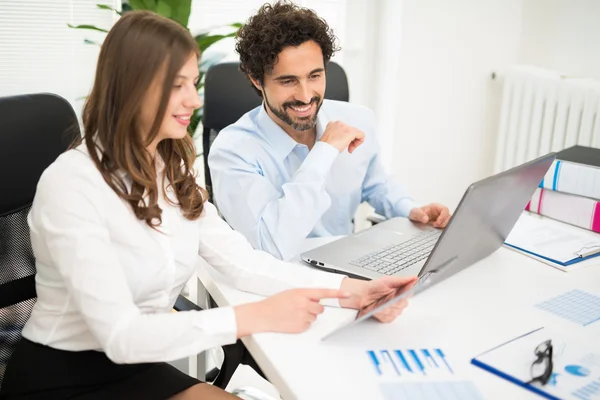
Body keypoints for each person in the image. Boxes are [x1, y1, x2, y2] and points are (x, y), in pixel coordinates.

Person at [0, 11, 417, 400]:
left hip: (141, 366)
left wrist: (350, 291)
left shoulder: (170, 171)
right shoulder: (71, 184)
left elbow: (244, 262)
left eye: (191, 84)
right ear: (132, 87)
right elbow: (120, 335)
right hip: (62, 378)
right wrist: (252, 318)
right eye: (176, 86)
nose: (194, 101)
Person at [208, 1, 451, 262]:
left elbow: (375, 184)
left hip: (350, 267)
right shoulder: (233, 150)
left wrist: (411, 209)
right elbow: (271, 245)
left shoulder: (357, 119)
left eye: (315, 76)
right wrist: (324, 152)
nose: (305, 96)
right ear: (257, 80)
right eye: (288, 81)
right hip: (279, 279)